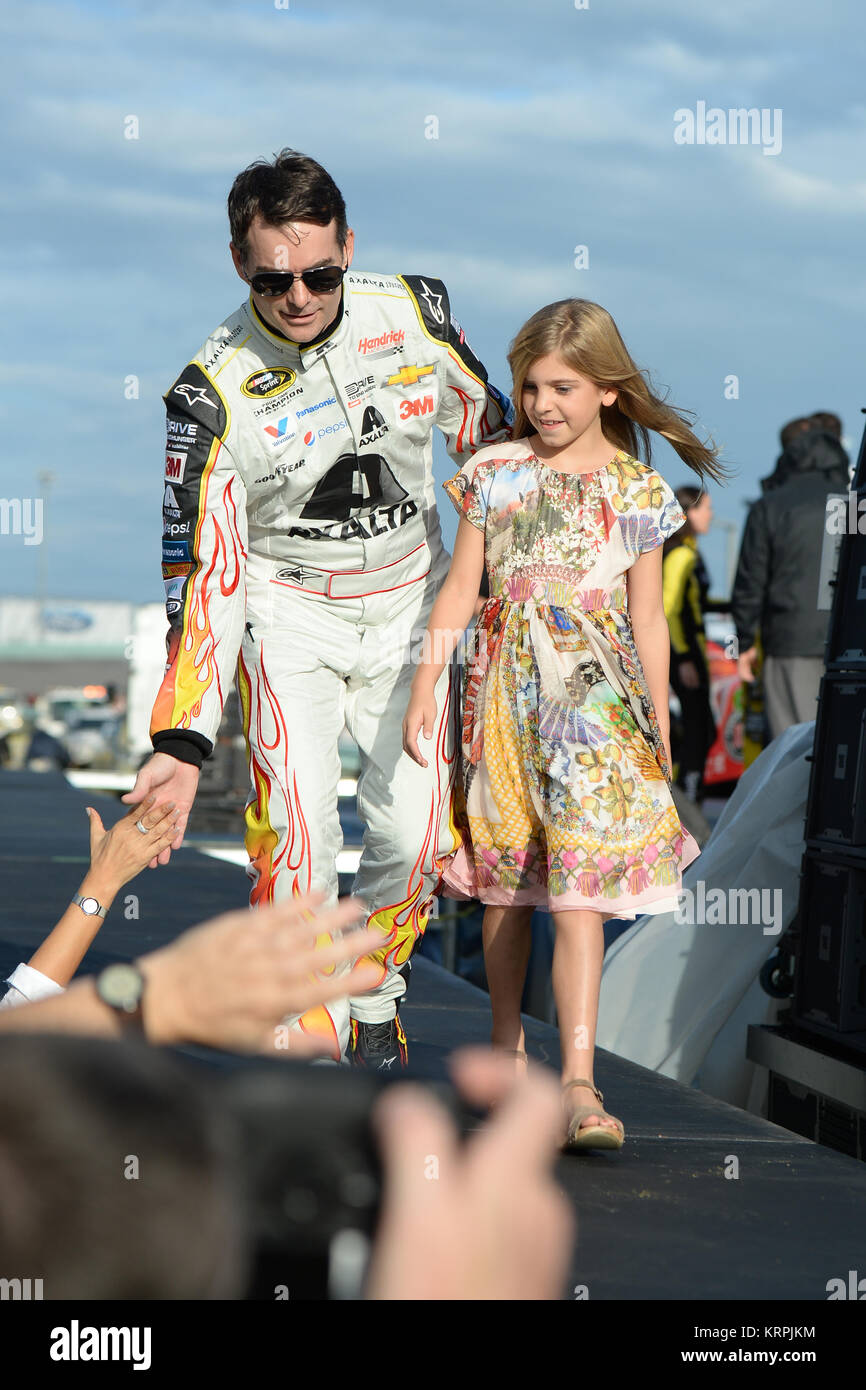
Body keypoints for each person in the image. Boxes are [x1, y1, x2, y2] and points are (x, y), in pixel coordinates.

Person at [121, 149, 511, 1070]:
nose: (298, 296)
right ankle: (303, 1027)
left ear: (348, 246)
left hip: (414, 602)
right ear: (237, 263)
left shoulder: (413, 313)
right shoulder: (206, 394)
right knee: (297, 844)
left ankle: (374, 985)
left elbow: (491, 445)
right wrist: (181, 743)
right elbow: (201, 577)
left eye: (320, 274)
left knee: (416, 837)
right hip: (290, 611)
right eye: (272, 279)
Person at [403, 298, 726, 1150]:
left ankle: (580, 1080)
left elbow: (648, 616)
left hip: (592, 696)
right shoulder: (495, 470)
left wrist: (657, 712)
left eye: (564, 387)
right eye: (531, 386)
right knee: (506, 886)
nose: (544, 404)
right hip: (502, 692)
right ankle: (504, 1052)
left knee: (579, 892)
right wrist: (429, 680)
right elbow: (461, 586)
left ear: (609, 392)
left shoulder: (636, 486)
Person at [732, 412, 850, 739]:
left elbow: (751, 578)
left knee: (795, 746)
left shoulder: (771, 505)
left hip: (790, 641)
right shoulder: (853, 502)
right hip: (851, 644)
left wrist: (744, 641)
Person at [662, 486, 717, 805]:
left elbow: (697, 603)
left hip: (690, 651)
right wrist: (682, 658)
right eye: (705, 508)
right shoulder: (681, 553)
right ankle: (685, 804)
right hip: (684, 653)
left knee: (702, 730)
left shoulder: (689, 550)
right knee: (699, 731)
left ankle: (683, 796)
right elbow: (668, 608)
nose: (711, 514)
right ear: (688, 513)